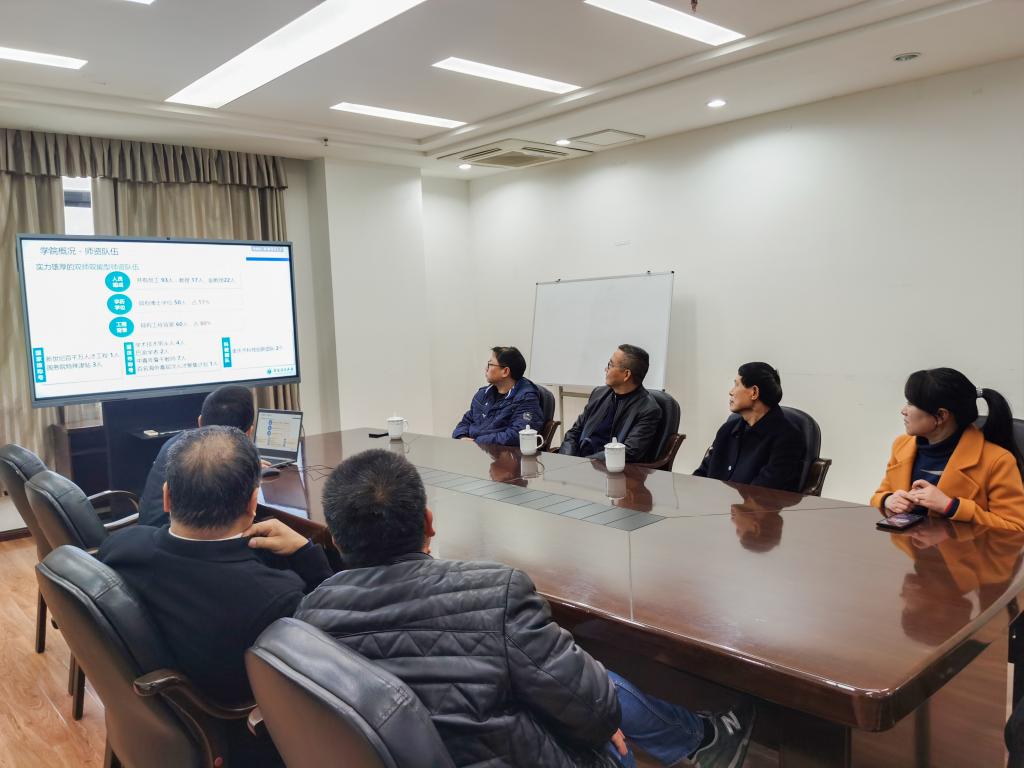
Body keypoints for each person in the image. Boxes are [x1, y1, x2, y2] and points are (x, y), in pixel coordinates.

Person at [296, 449, 754, 768]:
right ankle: (703, 740)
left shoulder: (310, 618)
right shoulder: (494, 593)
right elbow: (596, 711)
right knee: (596, 702)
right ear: (430, 523)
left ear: (335, 540)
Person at [100, 426, 333, 766]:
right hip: (242, 738)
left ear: (166, 498)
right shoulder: (275, 597)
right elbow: (334, 642)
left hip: (159, 727)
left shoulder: (120, 548)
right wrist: (306, 554)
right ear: (253, 503)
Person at [871, 367, 1024, 531]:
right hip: (909, 543)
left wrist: (951, 506)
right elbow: (879, 495)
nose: (903, 411)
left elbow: (1015, 527)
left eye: (911, 404)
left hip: (963, 547)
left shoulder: (997, 460)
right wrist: (888, 500)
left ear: (941, 416)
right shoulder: (902, 445)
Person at [138, 384, 258, 526]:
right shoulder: (221, 460)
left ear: (200, 421)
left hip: (151, 528)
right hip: (175, 530)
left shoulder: (178, 443)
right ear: (248, 433)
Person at [694, 363, 806, 492]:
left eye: (737, 385)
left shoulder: (787, 438)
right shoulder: (727, 430)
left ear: (754, 392)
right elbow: (701, 475)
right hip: (713, 502)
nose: (731, 392)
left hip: (752, 505)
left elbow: (762, 493)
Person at [559, 345, 662, 463]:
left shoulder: (648, 410)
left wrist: (584, 464)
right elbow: (574, 433)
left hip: (608, 469)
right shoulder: (599, 394)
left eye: (610, 365)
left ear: (626, 375)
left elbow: (628, 452)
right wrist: (568, 460)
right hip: (578, 463)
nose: (606, 369)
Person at [453, 346, 543, 446]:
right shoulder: (483, 394)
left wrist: (477, 442)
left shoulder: (526, 399)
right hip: (474, 450)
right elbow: (466, 421)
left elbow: (516, 435)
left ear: (505, 371)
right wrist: (461, 437)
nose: (486, 368)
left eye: (490, 364)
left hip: (501, 453)